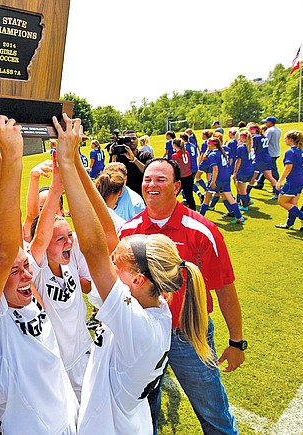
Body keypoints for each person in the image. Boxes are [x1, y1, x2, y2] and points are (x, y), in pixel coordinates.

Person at [52, 114, 213, 434]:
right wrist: (76, 166)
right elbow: (110, 237)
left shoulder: (138, 325)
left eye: (118, 266)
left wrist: (69, 167)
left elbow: (97, 249)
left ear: (138, 279)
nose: (111, 268)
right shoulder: (152, 304)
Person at [0, 115, 78, 434]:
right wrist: (4, 154)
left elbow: (14, 240)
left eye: (26, 264)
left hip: (70, 419)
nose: (27, 274)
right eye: (12, 271)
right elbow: (3, 247)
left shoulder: (29, 298)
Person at [119, 158, 245, 435]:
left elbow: (224, 288)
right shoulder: (127, 232)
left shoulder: (202, 231)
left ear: (177, 187)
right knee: (142, 410)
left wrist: (237, 342)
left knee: (213, 412)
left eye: (160, 179)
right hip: (142, 335)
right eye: (147, 179)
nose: (151, 185)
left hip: (187, 334)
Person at [28, 158, 93, 400]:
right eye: (60, 239)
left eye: (69, 235)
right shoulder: (37, 271)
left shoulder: (69, 265)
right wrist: (55, 186)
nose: (69, 242)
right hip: (59, 365)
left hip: (84, 354)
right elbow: (37, 232)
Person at [200, 135, 245, 224]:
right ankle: (239, 216)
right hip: (225, 177)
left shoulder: (213, 154)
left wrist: (213, 182)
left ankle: (200, 217)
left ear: (211, 144)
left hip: (218, 178)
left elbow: (215, 169)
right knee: (229, 196)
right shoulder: (222, 153)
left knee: (207, 196)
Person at [275, 130, 303, 230]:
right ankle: (289, 224)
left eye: (285, 138)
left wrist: (280, 181)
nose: (284, 140)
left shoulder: (290, 152)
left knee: (282, 202)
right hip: (301, 179)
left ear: (291, 140)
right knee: (293, 204)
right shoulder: (302, 150)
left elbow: (288, 167)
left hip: (293, 180)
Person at [109, 130, 153, 197]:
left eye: (134, 138)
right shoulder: (119, 157)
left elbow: (149, 172)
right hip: (124, 195)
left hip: (142, 193)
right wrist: (113, 156)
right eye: (128, 139)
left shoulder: (146, 155)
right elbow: (111, 174)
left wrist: (134, 160)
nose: (132, 141)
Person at [248, 122, 278, 195]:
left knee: (252, 178)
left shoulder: (254, 137)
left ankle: (245, 195)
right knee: (270, 177)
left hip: (259, 159)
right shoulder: (263, 137)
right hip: (267, 158)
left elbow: (253, 148)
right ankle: (278, 193)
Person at [254, 116, 281, 197]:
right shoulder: (278, 130)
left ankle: (277, 188)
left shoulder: (269, 130)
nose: (265, 124)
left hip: (270, 153)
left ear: (270, 122)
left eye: (266, 122)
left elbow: (265, 141)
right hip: (276, 151)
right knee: (265, 170)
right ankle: (260, 183)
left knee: (272, 172)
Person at [170, 138, 196, 210]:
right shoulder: (186, 152)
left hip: (181, 177)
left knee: (173, 194)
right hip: (189, 176)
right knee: (189, 196)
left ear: (175, 145)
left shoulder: (175, 155)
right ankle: (193, 211)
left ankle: (170, 209)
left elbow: (175, 167)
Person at [233, 130, 255, 210]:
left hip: (243, 170)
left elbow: (238, 161)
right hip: (250, 169)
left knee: (241, 190)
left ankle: (246, 204)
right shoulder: (250, 147)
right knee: (242, 188)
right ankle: (246, 201)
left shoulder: (241, 147)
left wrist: (235, 171)